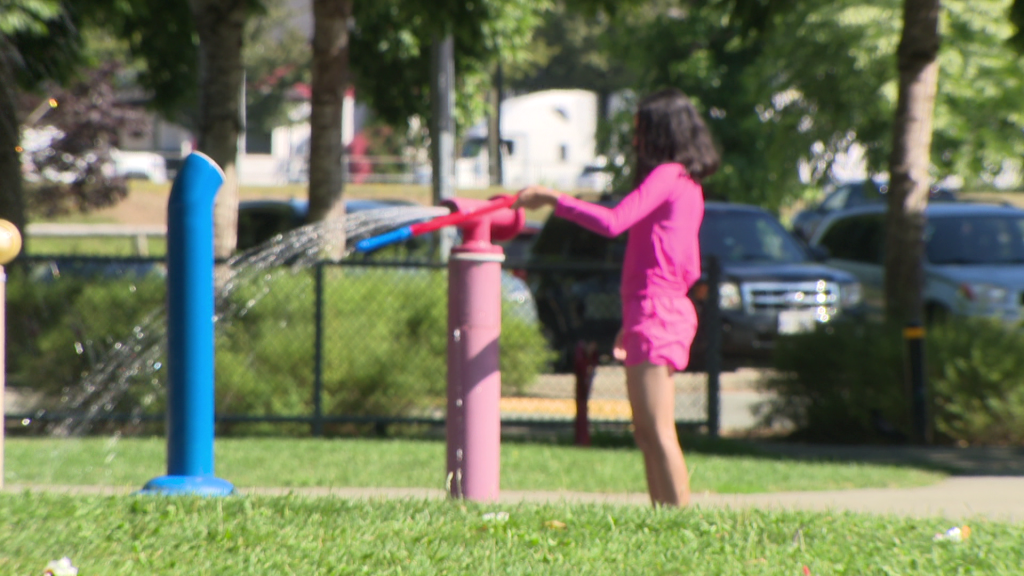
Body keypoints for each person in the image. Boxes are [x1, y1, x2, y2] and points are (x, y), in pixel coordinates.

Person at [513, 87, 719, 507]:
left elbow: (613, 222)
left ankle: (679, 524)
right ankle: (663, 520)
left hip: (656, 309)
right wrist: (636, 312)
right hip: (653, 308)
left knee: (657, 431)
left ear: (661, 131)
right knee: (645, 431)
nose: (634, 139)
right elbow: (686, 263)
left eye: (640, 130)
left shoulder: (668, 175)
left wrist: (554, 199)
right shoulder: (686, 184)